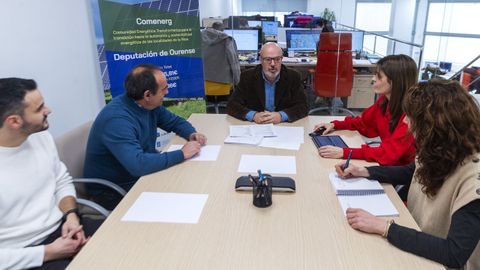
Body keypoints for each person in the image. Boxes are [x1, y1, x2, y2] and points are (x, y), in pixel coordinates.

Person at [335, 79, 480, 269]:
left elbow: (454, 253)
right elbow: (411, 171)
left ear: (433, 125)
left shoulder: (473, 179)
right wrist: (365, 171)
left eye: (410, 116)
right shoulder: (440, 149)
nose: (404, 121)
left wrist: (384, 227)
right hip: (417, 237)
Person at [0, 78, 103, 270]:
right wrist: (49, 252)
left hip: (63, 228)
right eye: (39, 109)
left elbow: (61, 180)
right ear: (14, 121)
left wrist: (71, 218)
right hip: (24, 253)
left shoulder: (40, 136)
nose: (48, 110)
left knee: (130, 236)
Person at [84, 64, 207, 208]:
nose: (167, 92)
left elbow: (174, 121)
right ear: (147, 95)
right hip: (112, 190)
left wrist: (191, 133)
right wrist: (182, 154)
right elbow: (138, 165)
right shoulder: (117, 120)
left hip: (136, 175)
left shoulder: (147, 105)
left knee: (190, 183)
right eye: (164, 89)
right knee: (182, 197)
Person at [313, 54, 417, 166]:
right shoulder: (385, 102)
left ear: (396, 81)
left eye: (379, 76)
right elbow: (363, 122)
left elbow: (387, 154)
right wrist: (335, 125)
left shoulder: (410, 115)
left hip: (403, 171)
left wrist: (345, 152)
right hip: (388, 165)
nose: (373, 79)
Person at [227, 42, 308, 124]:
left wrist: (281, 116)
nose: (273, 64)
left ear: (281, 59)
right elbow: (232, 105)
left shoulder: (293, 76)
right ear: (261, 60)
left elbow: (303, 106)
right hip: (256, 125)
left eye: (277, 59)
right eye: (268, 59)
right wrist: (253, 116)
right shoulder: (247, 76)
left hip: (283, 125)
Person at [201, 21, 240, 86]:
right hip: (224, 83)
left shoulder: (199, 38)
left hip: (204, 83)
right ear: (223, 30)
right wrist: (237, 82)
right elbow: (233, 62)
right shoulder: (227, 40)